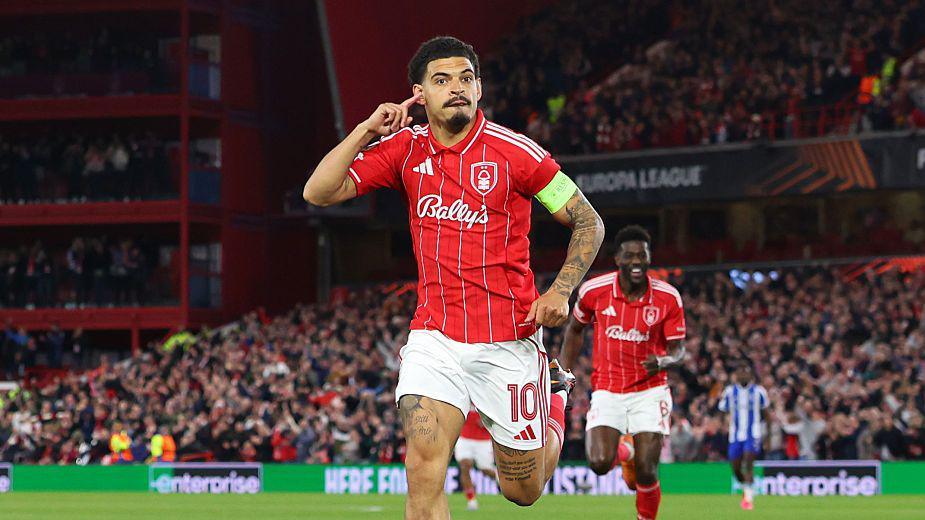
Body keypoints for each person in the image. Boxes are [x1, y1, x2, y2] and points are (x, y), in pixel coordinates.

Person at [303, 36, 604, 519]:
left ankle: (556, 396)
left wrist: (560, 290)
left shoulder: (518, 154)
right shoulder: (404, 149)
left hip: (508, 338)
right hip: (434, 338)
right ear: (419, 94)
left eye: (466, 78)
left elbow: (589, 220)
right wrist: (365, 129)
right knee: (423, 469)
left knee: (522, 491)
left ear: (480, 88)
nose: (456, 88)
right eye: (441, 80)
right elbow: (318, 192)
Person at [561, 225, 686, 520]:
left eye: (642, 256)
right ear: (617, 259)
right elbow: (575, 329)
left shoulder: (668, 298)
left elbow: (679, 350)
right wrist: (565, 372)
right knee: (599, 462)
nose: (636, 262)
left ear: (649, 258)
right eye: (629, 256)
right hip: (608, 389)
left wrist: (665, 360)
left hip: (650, 389)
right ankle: (625, 451)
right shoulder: (594, 291)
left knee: (647, 470)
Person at [718, 361, 770, 510]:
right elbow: (722, 410)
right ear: (736, 376)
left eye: (745, 372)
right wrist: (723, 425)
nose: (743, 375)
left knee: (748, 462)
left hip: (753, 434)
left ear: (750, 375)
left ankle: (748, 500)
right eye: (740, 373)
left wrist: (768, 437)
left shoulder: (759, 391)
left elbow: (767, 416)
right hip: (735, 435)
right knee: (735, 468)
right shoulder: (729, 392)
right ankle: (746, 490)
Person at [454, 408, 496, 510]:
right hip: (464, 437)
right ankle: (471, 500)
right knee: (464, 466)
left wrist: (488, 421)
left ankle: (501, 480)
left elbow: (498, 412)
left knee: (486, 470)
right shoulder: (465, 394)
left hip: (483, 440)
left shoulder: (487, 395)